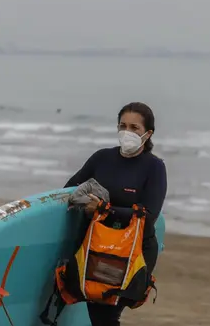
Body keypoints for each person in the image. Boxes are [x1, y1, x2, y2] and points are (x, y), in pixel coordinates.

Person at [63, 102, 167, 326]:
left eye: (135, 128)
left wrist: (104, 210)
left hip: (133, 252)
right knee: (99, 315)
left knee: (106, 316)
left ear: (148, 133)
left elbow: (149, 217)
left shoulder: (154, 167)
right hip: (96, 247)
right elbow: (70, 189)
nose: (127, 132)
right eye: (123, 126)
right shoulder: (102, 158)